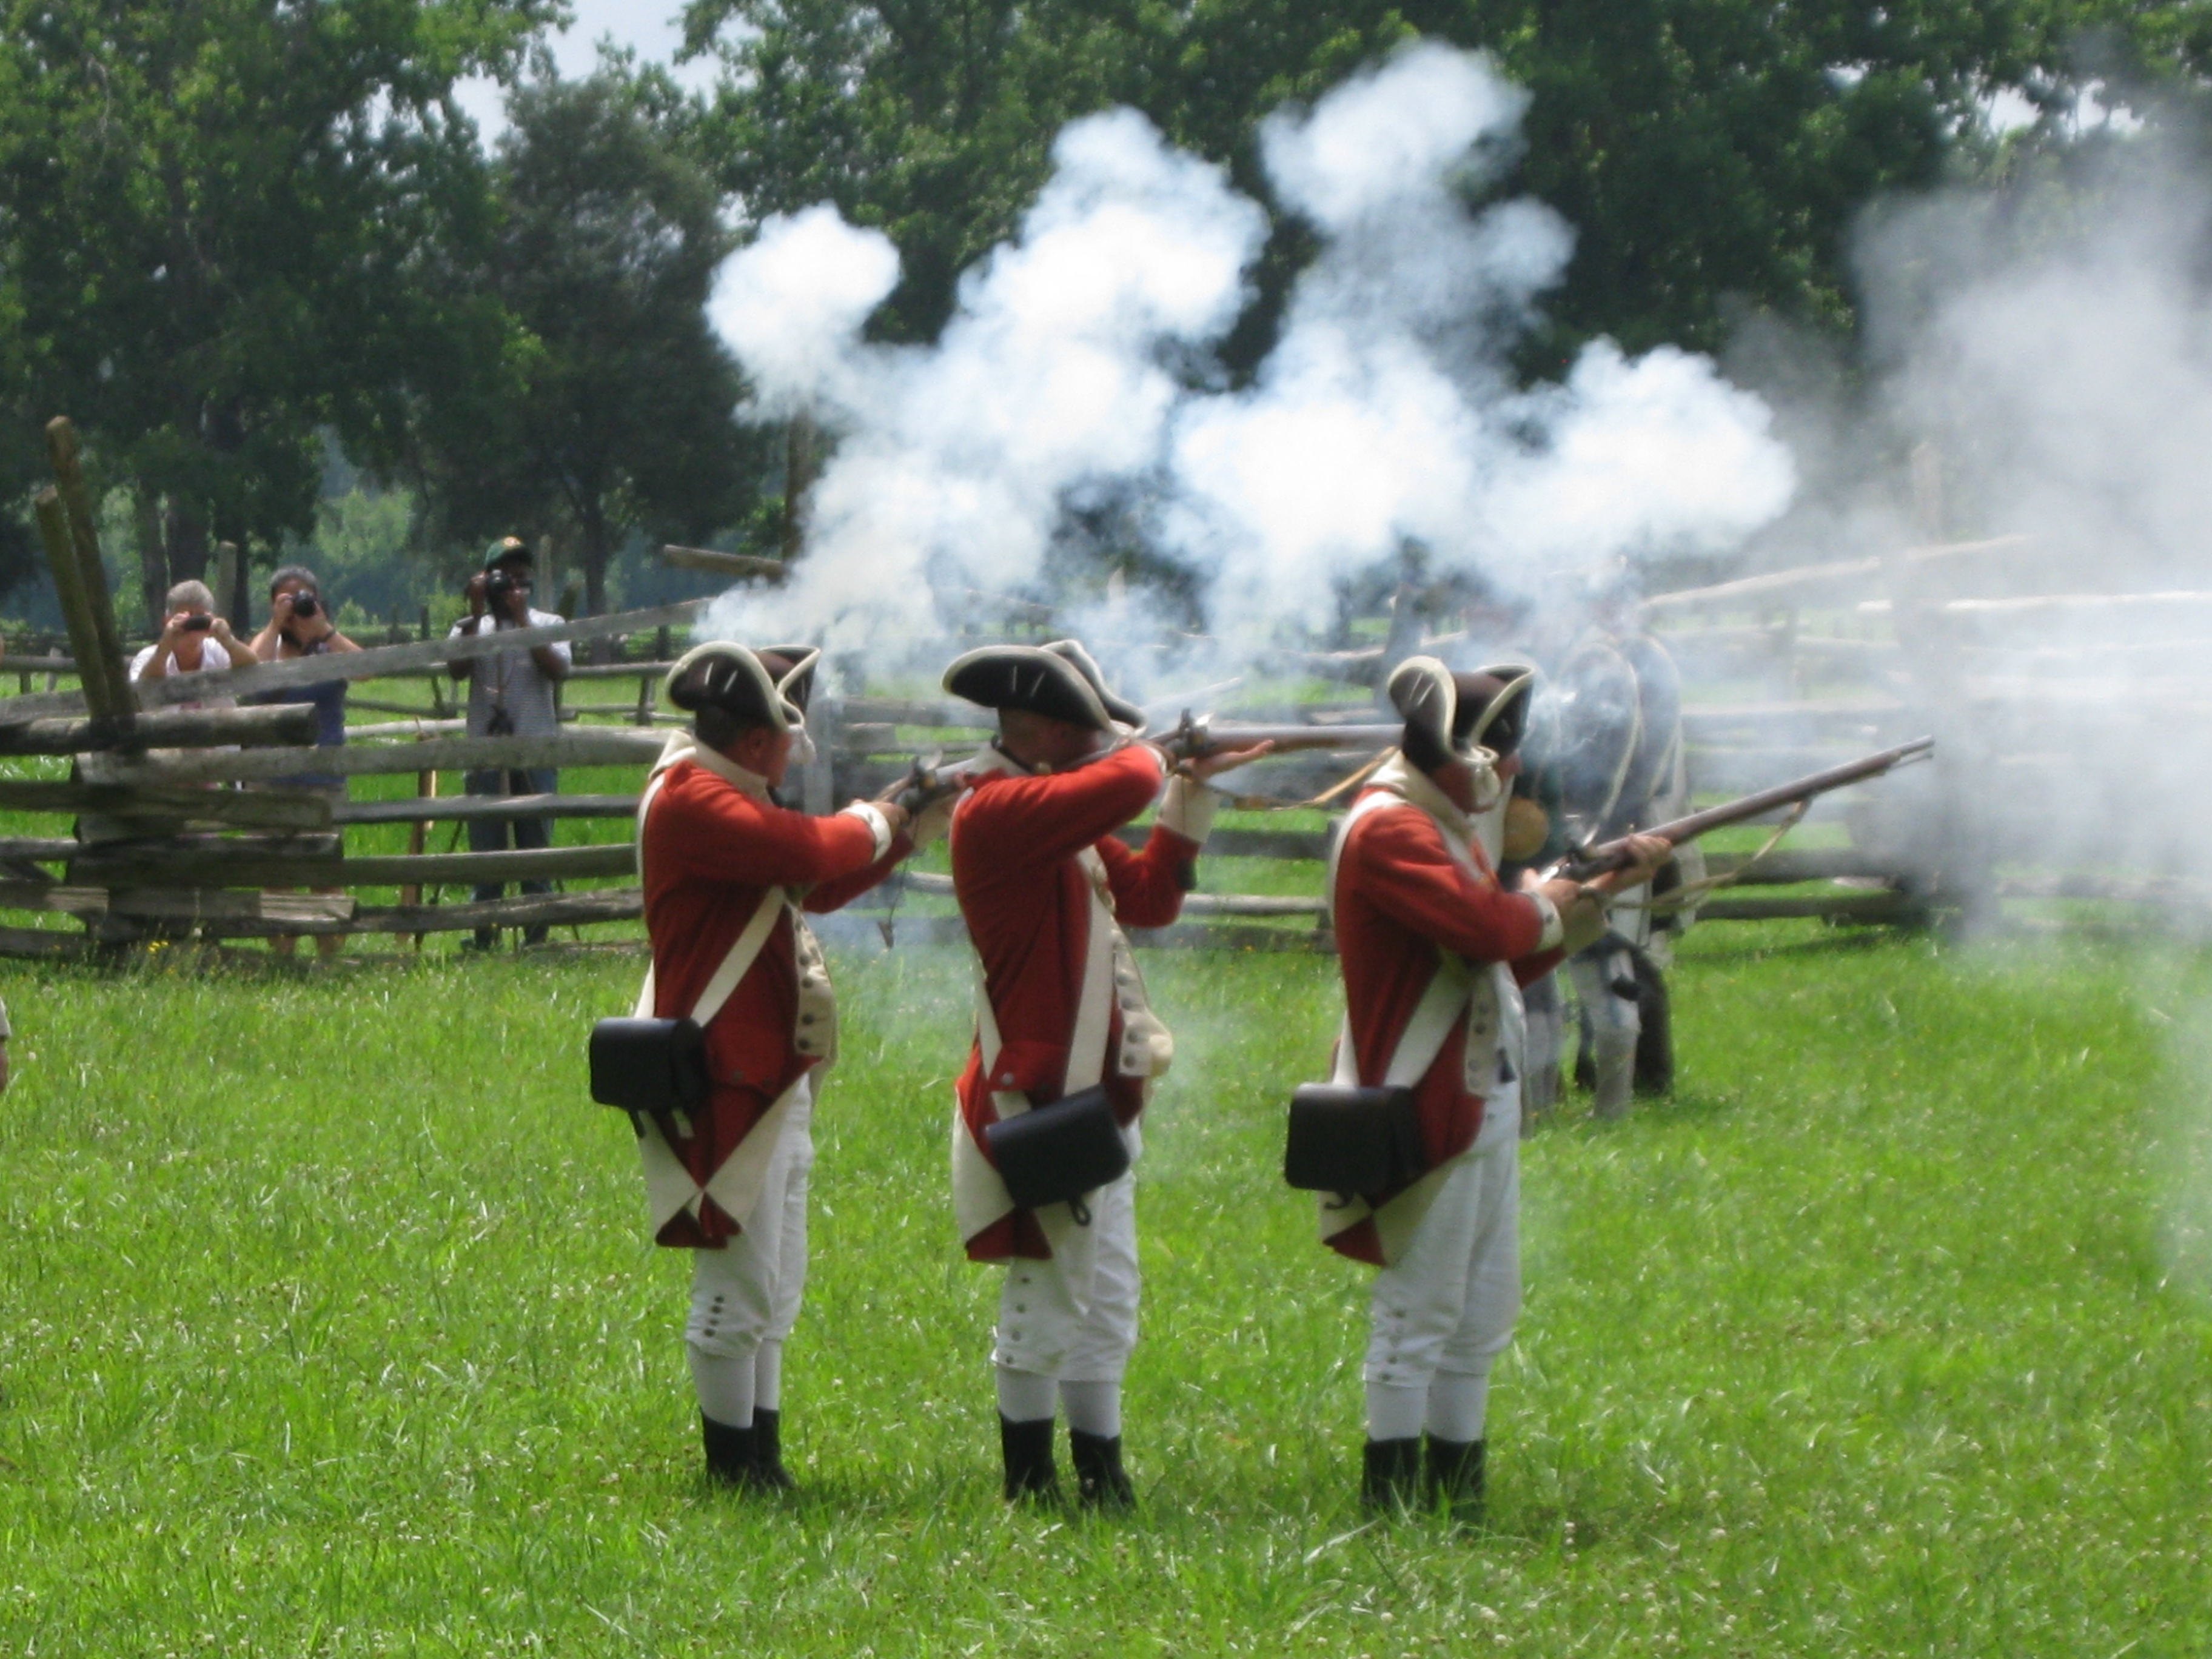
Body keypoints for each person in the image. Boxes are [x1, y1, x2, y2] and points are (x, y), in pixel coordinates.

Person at [1324, 655, 1669, 1518]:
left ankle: (1458, 1495)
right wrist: (1559, 889)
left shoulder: (1443, 826)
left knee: (1481, 1313)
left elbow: (1505, 955)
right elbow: (1486, 929)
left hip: (1482, 1092)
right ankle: (1393, 1501)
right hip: (1421, 1096)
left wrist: (1594, 891)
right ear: (1472, 758)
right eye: (1503, 753)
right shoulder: (1392, 829)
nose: (1514, 770)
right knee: (1419, 1311)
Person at [940, 638, 1267, 1507]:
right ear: (1043, 730)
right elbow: (1125, 781)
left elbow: (1154, 897)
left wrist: (1192, 790)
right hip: (1043, 1092)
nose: (1102, 742)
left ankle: (1101, 1471)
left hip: (1098, 1090)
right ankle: (1028, 1480)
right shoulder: (994, 810)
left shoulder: (1054, 822)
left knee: (1106, 1296)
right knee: (1047, 1294)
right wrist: (1161, 750)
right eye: (1087, 728)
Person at [634, 640, 930, 1491]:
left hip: (769, 1064)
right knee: (735, 1281)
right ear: (761, 739)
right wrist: (888, 810)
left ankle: (762, 1456)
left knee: (773, 1280)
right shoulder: (692, 797)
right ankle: (734, 1470)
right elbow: (807, 854)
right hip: (727, 1066)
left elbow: (814, 885)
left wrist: (906, 824)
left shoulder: (724, 794)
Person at [447, 539, 572, 950]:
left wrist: (523, 622)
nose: (512, 586)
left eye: (520, 579)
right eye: (503, 577)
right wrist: (478, 611)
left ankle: (537, 937)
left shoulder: (548, 621)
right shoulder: (469, 628)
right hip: (484, 753)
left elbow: (559, 670)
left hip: (535, 749)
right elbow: (457, 669)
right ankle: (484, 935)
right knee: (487, 854)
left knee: (536, 851)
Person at [249, 566, 362, 961]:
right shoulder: (267, 646)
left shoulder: (329, 645)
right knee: (275, 875)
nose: (297, 607)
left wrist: (323, 629)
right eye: (287, 599)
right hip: (269, 780)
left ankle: (329, 958)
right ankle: (282, 959)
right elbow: (249, 675)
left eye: (303, 598)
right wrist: (274, 624)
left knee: (324, 875)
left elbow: (366, 670)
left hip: (323, 779)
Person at [130, 580, 255, 706]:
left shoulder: (218, 650)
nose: (192, 624)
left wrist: (229, 641)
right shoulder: (147, 656)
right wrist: (166, 645)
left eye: (199, 618)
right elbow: (142, 690)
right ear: (168, 620)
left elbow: (252, 666)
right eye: (185, 619)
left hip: (221, 725)